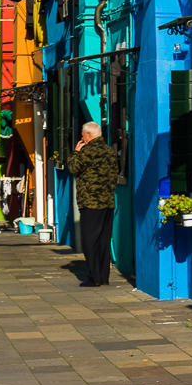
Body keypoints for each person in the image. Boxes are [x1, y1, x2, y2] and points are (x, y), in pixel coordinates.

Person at [69, 121, 121, 287]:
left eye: (83, 135)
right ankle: (104, 277)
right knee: (104, 240)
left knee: (89, 240)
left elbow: (73, 168)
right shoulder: (109, 151)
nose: (82, 138)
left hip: (91, 203)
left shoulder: (87, 151)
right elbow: (114, 176)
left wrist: (75, 152)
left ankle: (94, 277)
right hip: (108, 202)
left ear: (89, 135)